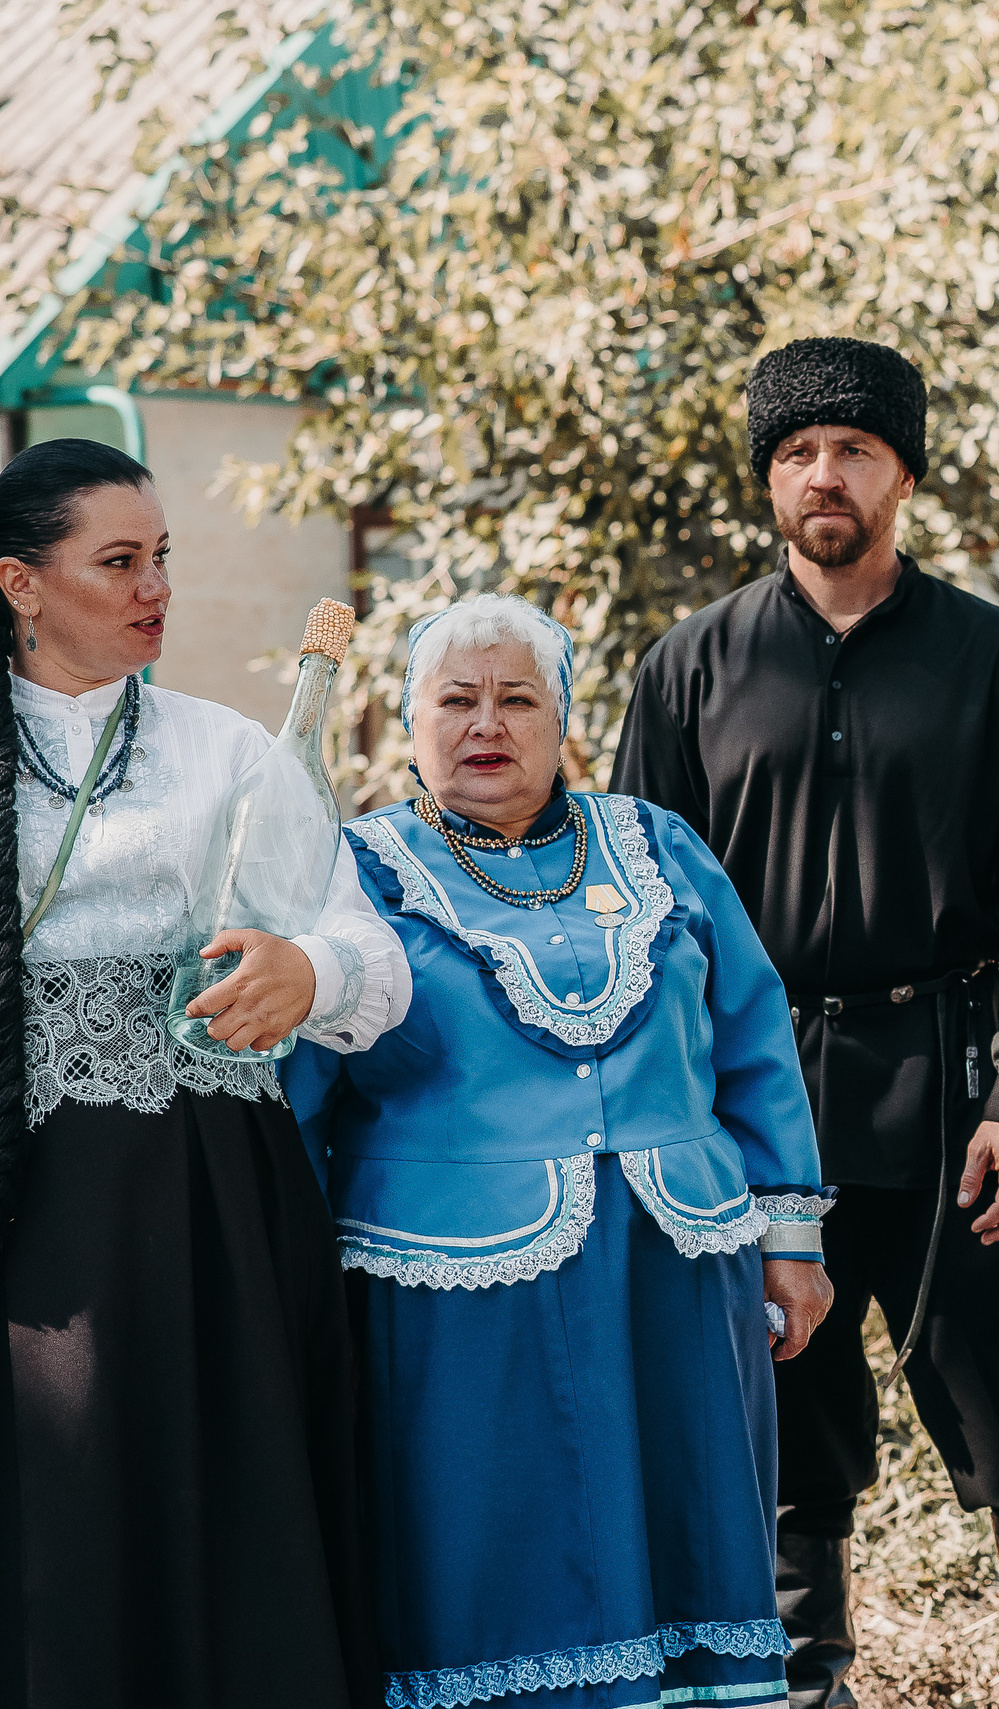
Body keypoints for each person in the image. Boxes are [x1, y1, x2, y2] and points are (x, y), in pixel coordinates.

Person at [610, 336, 999, 1709]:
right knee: (785, 1433)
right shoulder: (689, 667)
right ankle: (796, 1692)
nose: (825, 475)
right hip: (760, 1113)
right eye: (798, 453)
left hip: (952, 1099)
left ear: (902, 474)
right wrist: (678, 1124)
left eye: (855, 451)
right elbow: (644, 916)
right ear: (770, 479)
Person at [283, 593, 832, 1709]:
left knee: (684, 1540)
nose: (487, 721)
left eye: (516, 697)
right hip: (455, 1296)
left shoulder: (656, 842)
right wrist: (282, 1280)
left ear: (564, 716)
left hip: (674, 1275)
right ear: (410, 718)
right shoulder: (355, 871)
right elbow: (299, 1089)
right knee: (492, 1547)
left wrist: (792, 1236)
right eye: (457, 698)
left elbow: (753, 1038)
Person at [0, 439, 408, 1707]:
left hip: (216, 1208)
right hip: (32, 1208)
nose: (154, 587)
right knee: (54, 1515)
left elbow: (373, 959)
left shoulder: (229, 750)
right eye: (117, 561)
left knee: (229, 1515)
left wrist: (311, 971)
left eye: (162, 556)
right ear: (19, 583)